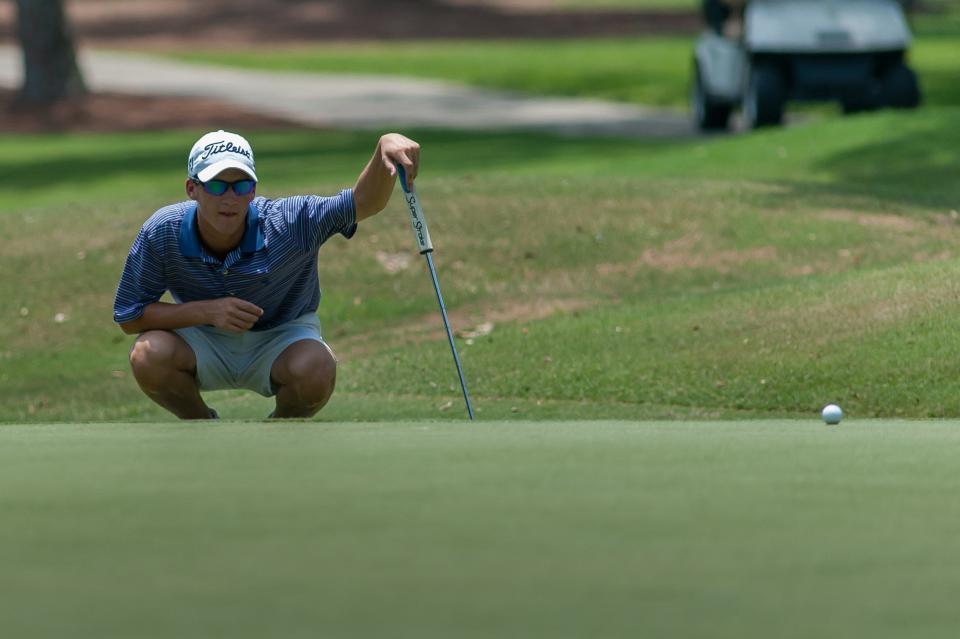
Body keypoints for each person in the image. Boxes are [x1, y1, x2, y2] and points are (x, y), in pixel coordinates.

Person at [113, 129, 420, 419]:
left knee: (316, 369)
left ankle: (280, 436)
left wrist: (385, 146)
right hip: (201, 338)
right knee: (148, 355)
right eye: (217, 185)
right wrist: (208, 311)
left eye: (241, 185)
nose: (230, 197)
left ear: (254, 190)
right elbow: (130, 315)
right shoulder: (163, 230)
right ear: (192, 189)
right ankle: (202, 427)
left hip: (282, 336)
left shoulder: (290, 223)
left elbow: (364, 203)